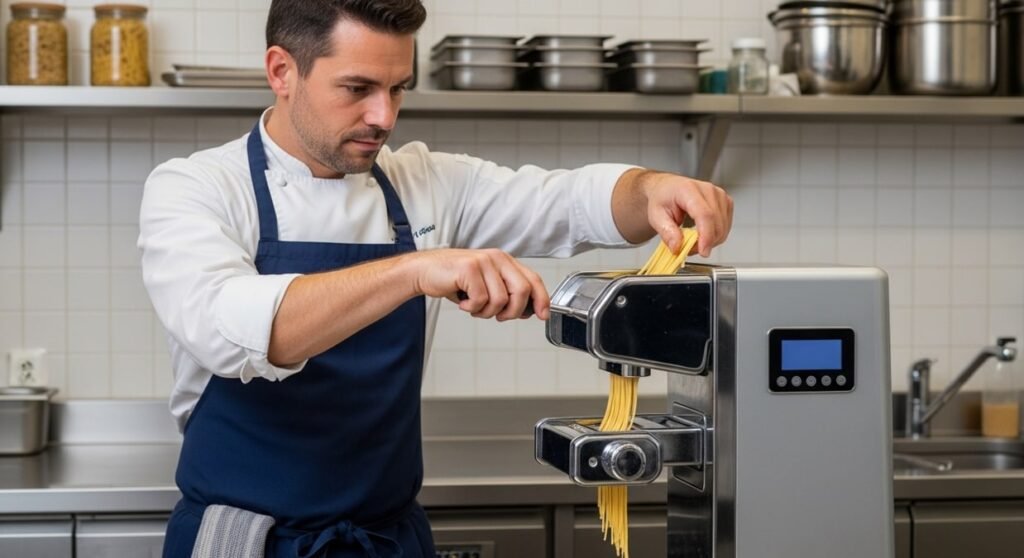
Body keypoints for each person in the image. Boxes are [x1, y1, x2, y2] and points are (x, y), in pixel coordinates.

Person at [139, 0, 733, 556]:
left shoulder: (424, 183)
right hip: (247, 540)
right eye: (358, 88)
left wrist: (653, 187)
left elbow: (569, 202)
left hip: (388, 536)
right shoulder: (196, 188)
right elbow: (240, 330)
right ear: (282, 71)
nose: (384, 116)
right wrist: (418, 269)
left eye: (398, 88)